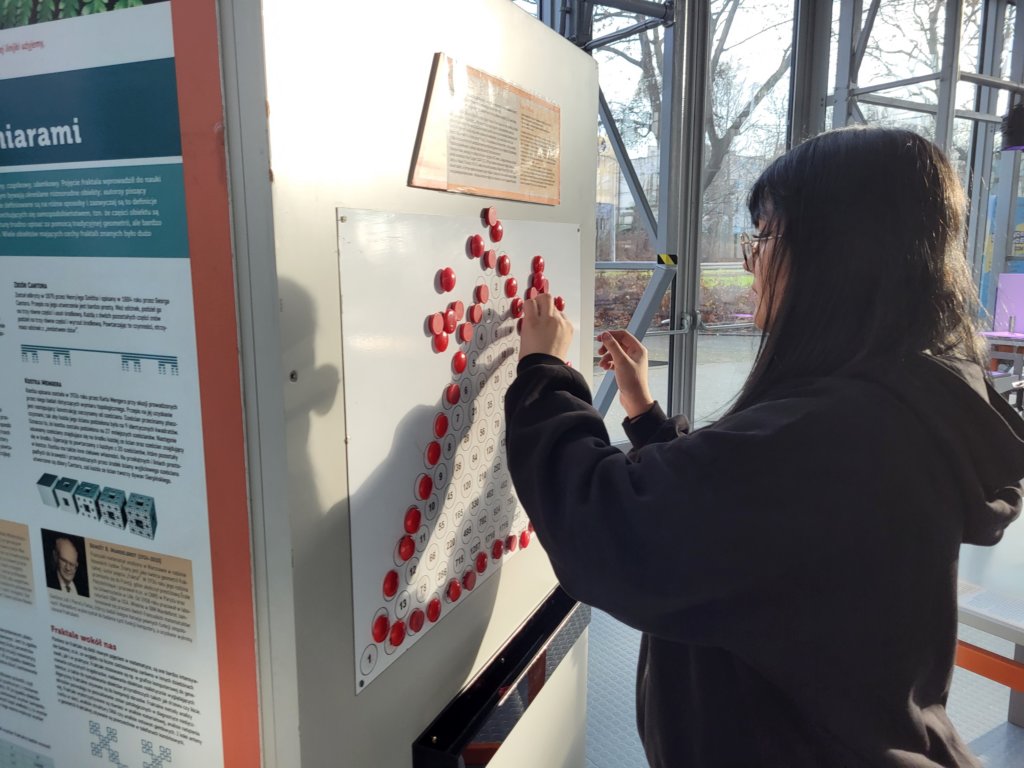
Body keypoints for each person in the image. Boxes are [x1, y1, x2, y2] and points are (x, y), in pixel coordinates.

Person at [504, 126, 1024, 767]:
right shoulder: (903, 399)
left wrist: (544, 375)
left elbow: (609, 531)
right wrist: (647, 419)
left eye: (764, 236)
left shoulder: (828, 437)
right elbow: (745, 532)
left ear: (836, 252)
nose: (750, 261)